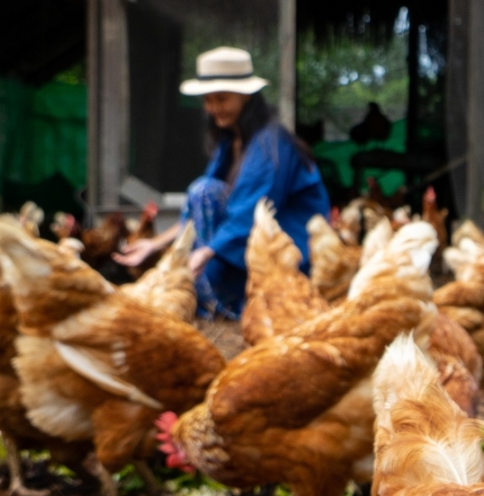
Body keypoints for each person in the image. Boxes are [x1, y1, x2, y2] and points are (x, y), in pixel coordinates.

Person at [116, 47, 330, 319]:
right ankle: (217, 294)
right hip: (251, 245)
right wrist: (155, 244)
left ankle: (226, 300)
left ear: (246, 96)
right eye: (207, 100)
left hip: (291, 252)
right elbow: (198, 212)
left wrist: (204, 254)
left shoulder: (269, 145)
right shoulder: (231, 140)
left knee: (204, 192)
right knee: (203, 192)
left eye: (221, 99)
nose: (212, 108)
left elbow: (247, 214)